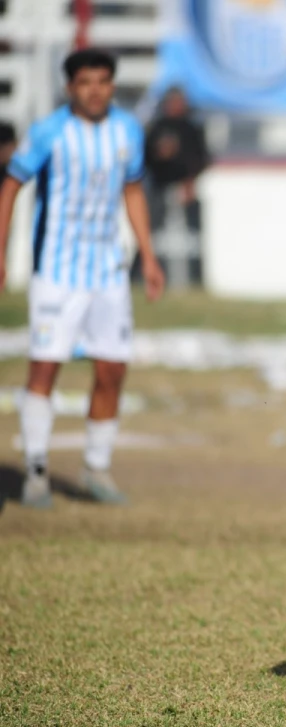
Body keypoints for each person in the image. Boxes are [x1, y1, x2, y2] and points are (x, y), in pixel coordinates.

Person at [0, 49, 165, 508]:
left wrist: (148, 256)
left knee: (112, 369)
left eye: (104, 81)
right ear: (70, 87)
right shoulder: (50, 132)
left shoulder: (127, 129)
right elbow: (11, 185)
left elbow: (132, 189)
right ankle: (35, 472)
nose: (96, 90)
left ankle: (96, 468)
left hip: (108, 271)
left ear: (113, 84)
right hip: (56, 272)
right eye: (86, 82)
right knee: (45, 367)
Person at [141, 86, 209, 285]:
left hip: (185, 189)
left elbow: (201, 158)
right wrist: (159, 154)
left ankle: (193, 279)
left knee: (191, 240)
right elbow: (145, 157)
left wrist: (190, 180)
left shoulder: (191, 128)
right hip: (158, 188)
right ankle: (147, 275)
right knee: (153, 235)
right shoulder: (157, 127)